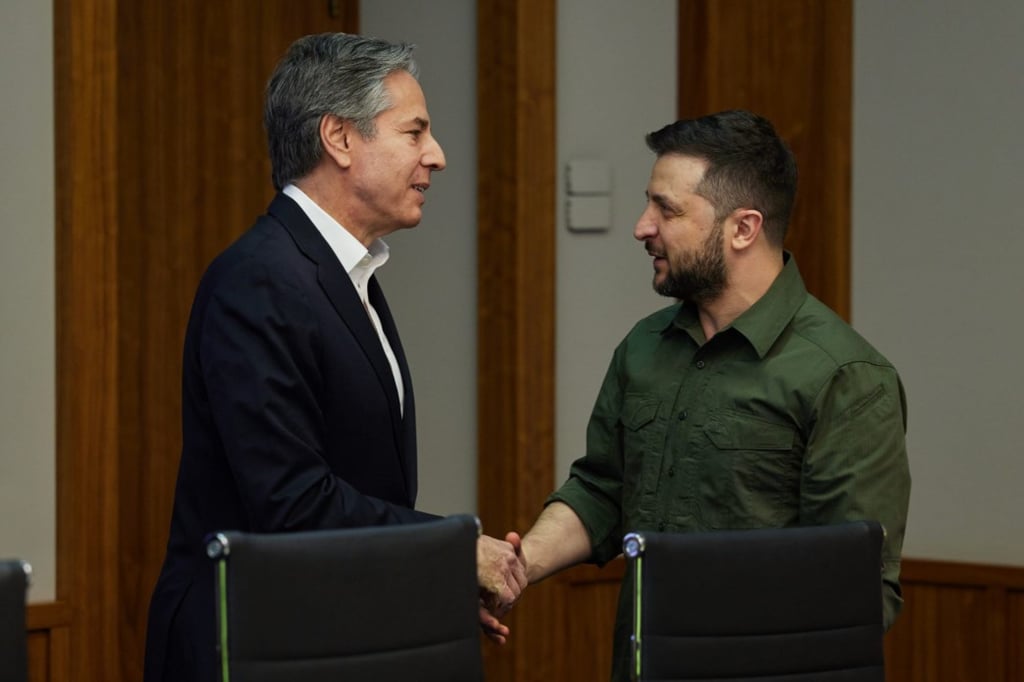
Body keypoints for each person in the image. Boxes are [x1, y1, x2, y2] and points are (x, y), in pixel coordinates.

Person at [143, 33, 524, 682]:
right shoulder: (259, 280)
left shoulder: (346, 275)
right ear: (340, 139)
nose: (437, 155)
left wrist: (426, 586)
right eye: (415, 132)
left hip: (326, 631)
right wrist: (452, 553)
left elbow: (359, 487)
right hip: (249, 645)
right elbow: (292, 502)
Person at [509, 110, 911, 681]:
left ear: (743, 228)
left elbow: (855, 589)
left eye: (666, 209)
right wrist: (517, 565)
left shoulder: (846, 376)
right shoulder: (643, 347)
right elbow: (603, 489)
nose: (642, 226)